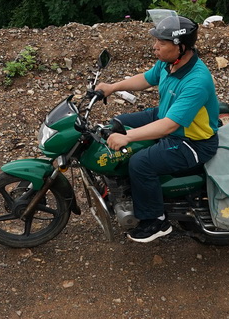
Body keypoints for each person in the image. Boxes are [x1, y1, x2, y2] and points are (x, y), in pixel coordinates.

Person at [94, 14, 220, 243]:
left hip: (191, 141)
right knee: (117, 123)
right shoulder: (169, 63)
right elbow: (146, 79)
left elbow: (169, 126)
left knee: (141, 163)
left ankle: (156, 221)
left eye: (162, 43)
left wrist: (128, 137)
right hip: (166, 116)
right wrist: (112, 87)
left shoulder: (196, 80)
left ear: (181, 47)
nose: (155, 47)